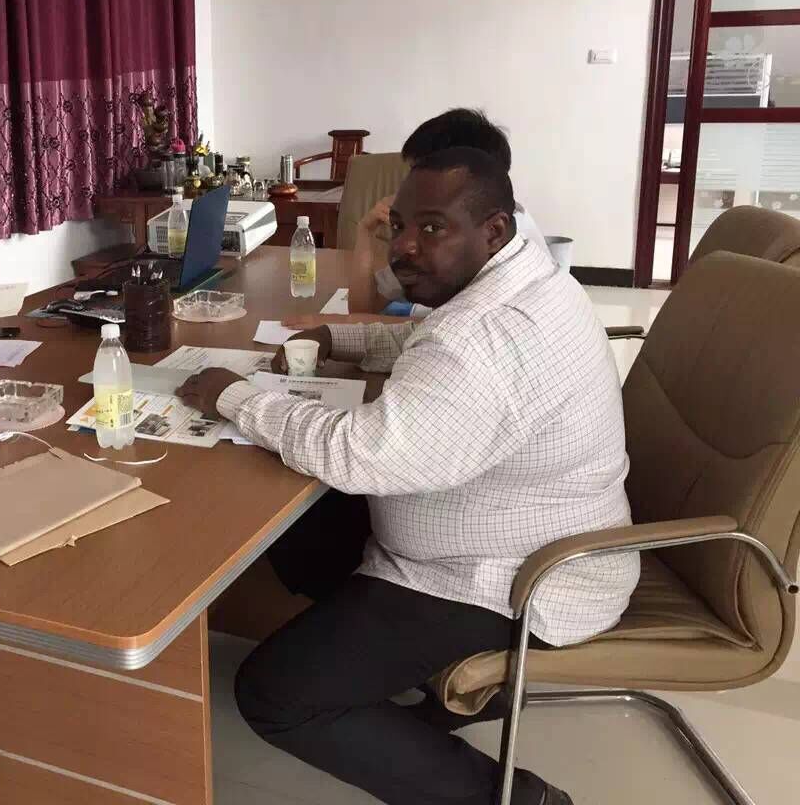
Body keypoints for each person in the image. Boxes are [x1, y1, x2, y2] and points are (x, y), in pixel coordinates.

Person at [177, 146, 637, 805]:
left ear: (493, 230)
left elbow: (360, 455)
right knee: (291, 517)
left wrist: (235, 397)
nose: (405, 247)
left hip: (512, 580)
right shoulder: (524, 278)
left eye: (432, 227)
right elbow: (426, 341)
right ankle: (389, 668)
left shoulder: (481, 340)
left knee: (274, 695)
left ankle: (516, 798)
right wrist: (338, 339)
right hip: (513, 529)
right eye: (400, 226)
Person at [352, 108, 548, 318]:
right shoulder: (436, 234)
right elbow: (363, 308)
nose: (410, 187)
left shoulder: (505, 246)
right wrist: (365, 231)